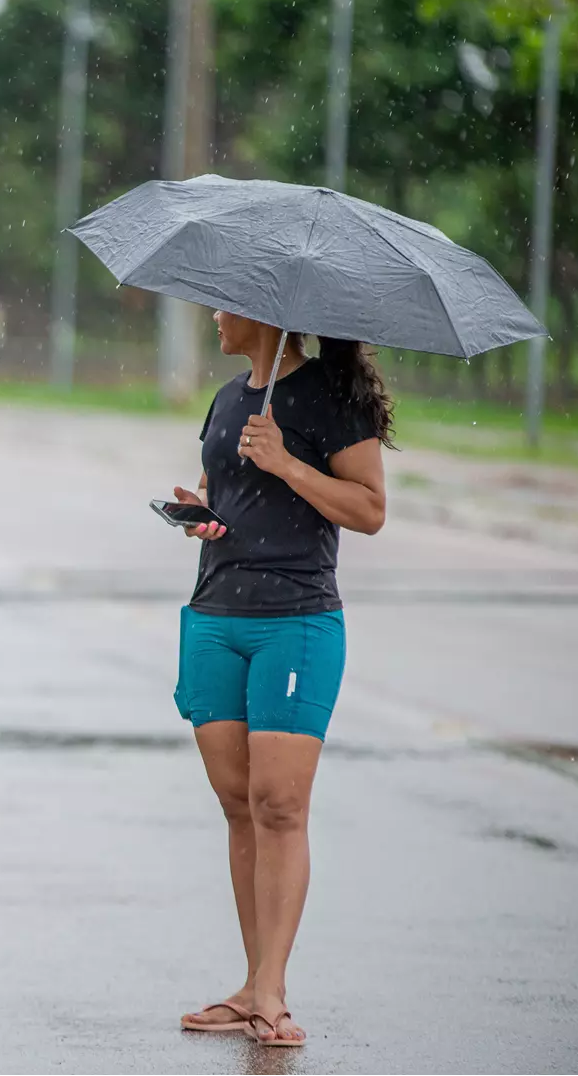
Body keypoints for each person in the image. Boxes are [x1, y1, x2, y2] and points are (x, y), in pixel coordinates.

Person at [171, 311, 392, 1048]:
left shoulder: (331, 395)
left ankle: (272, 992)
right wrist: (200, 515)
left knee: (279, 805)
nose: (213, 316)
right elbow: (223, 494)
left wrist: (288, 464)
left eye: (222, 305)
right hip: (214, 618)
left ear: (261, 313)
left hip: (294, 622)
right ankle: (249, 984)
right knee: (239, 805)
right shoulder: (228, 398)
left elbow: (370, 510)